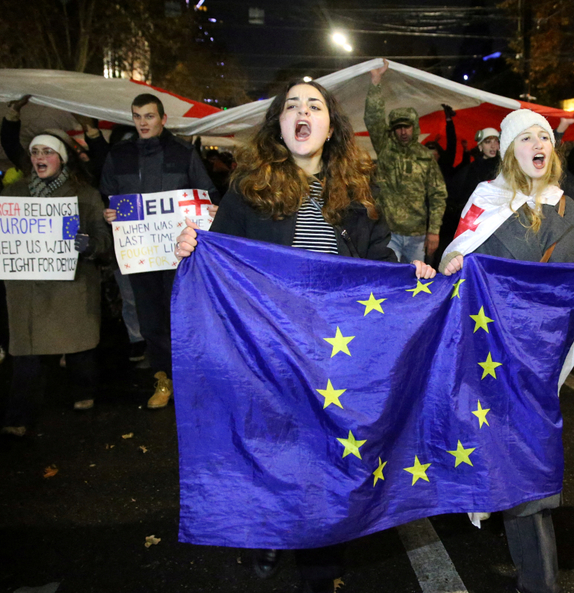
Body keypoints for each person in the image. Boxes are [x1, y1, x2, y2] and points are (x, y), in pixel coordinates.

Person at [174, 80, 435, 592]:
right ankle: (269, 530)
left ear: (331, 126)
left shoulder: (360, 195)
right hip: (270, 350)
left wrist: (412, 277)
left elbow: (378, 267)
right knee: (277, 447)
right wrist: (191, 245)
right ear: (279, 125)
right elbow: (220, 256)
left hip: (335, 356)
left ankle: (321, 567)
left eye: (313, 105)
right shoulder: (249, 189)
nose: (302, 111)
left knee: (330, 456)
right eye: (291, 105)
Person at [440, 109, 574, 593]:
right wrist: (454, 260)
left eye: (544, 136)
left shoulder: (565, 208)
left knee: (527, 457)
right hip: (485, 348)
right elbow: (456, 252)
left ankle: (537, 581)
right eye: (525, 137)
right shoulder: (486, 199)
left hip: (534, 355)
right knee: (493, 444)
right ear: (509, 150)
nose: (537, 144)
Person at [101, 93, 219, 409]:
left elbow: (206, 194)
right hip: (140, 254)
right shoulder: (120, 155)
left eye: (149, 116)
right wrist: (108, 213)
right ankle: (162, 378)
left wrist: (210, 209)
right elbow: (109, 197)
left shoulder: (183, 153)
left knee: (183, 316)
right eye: (137, 116)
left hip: (180, 256)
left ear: (163, 119)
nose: (142, 122)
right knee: (150, 319)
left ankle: (192, 378)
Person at [0, 134, 111, 436]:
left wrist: (89, 246)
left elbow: (104, 243)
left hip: (70, 288)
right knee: (25, 353)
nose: (40, 156)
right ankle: (18, 415)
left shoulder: (85, 195)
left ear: (61, 158)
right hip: (27, 290)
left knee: (78, 348)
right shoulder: (11, 194)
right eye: (35, 151)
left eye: (48, 151)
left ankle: (83, 392)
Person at [364, 60, 447, 263]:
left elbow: (438, 195)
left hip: (417, 236)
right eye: (398, 127)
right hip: (387, 232)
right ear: (393, 129)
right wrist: (376, 82)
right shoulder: (385, 147)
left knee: (416, 284)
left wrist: (434, 232)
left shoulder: (425, 156)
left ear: (414, 127)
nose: (403, 131)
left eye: (407, 126)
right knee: (390, 282)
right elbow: (374, 119)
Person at [438, 127, 501, 257]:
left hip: (497, 227)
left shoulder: (505, 169)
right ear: (480, 146)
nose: (493, 146)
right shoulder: (469, 171)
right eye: (488, 141)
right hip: (473, 228)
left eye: (496, 141)